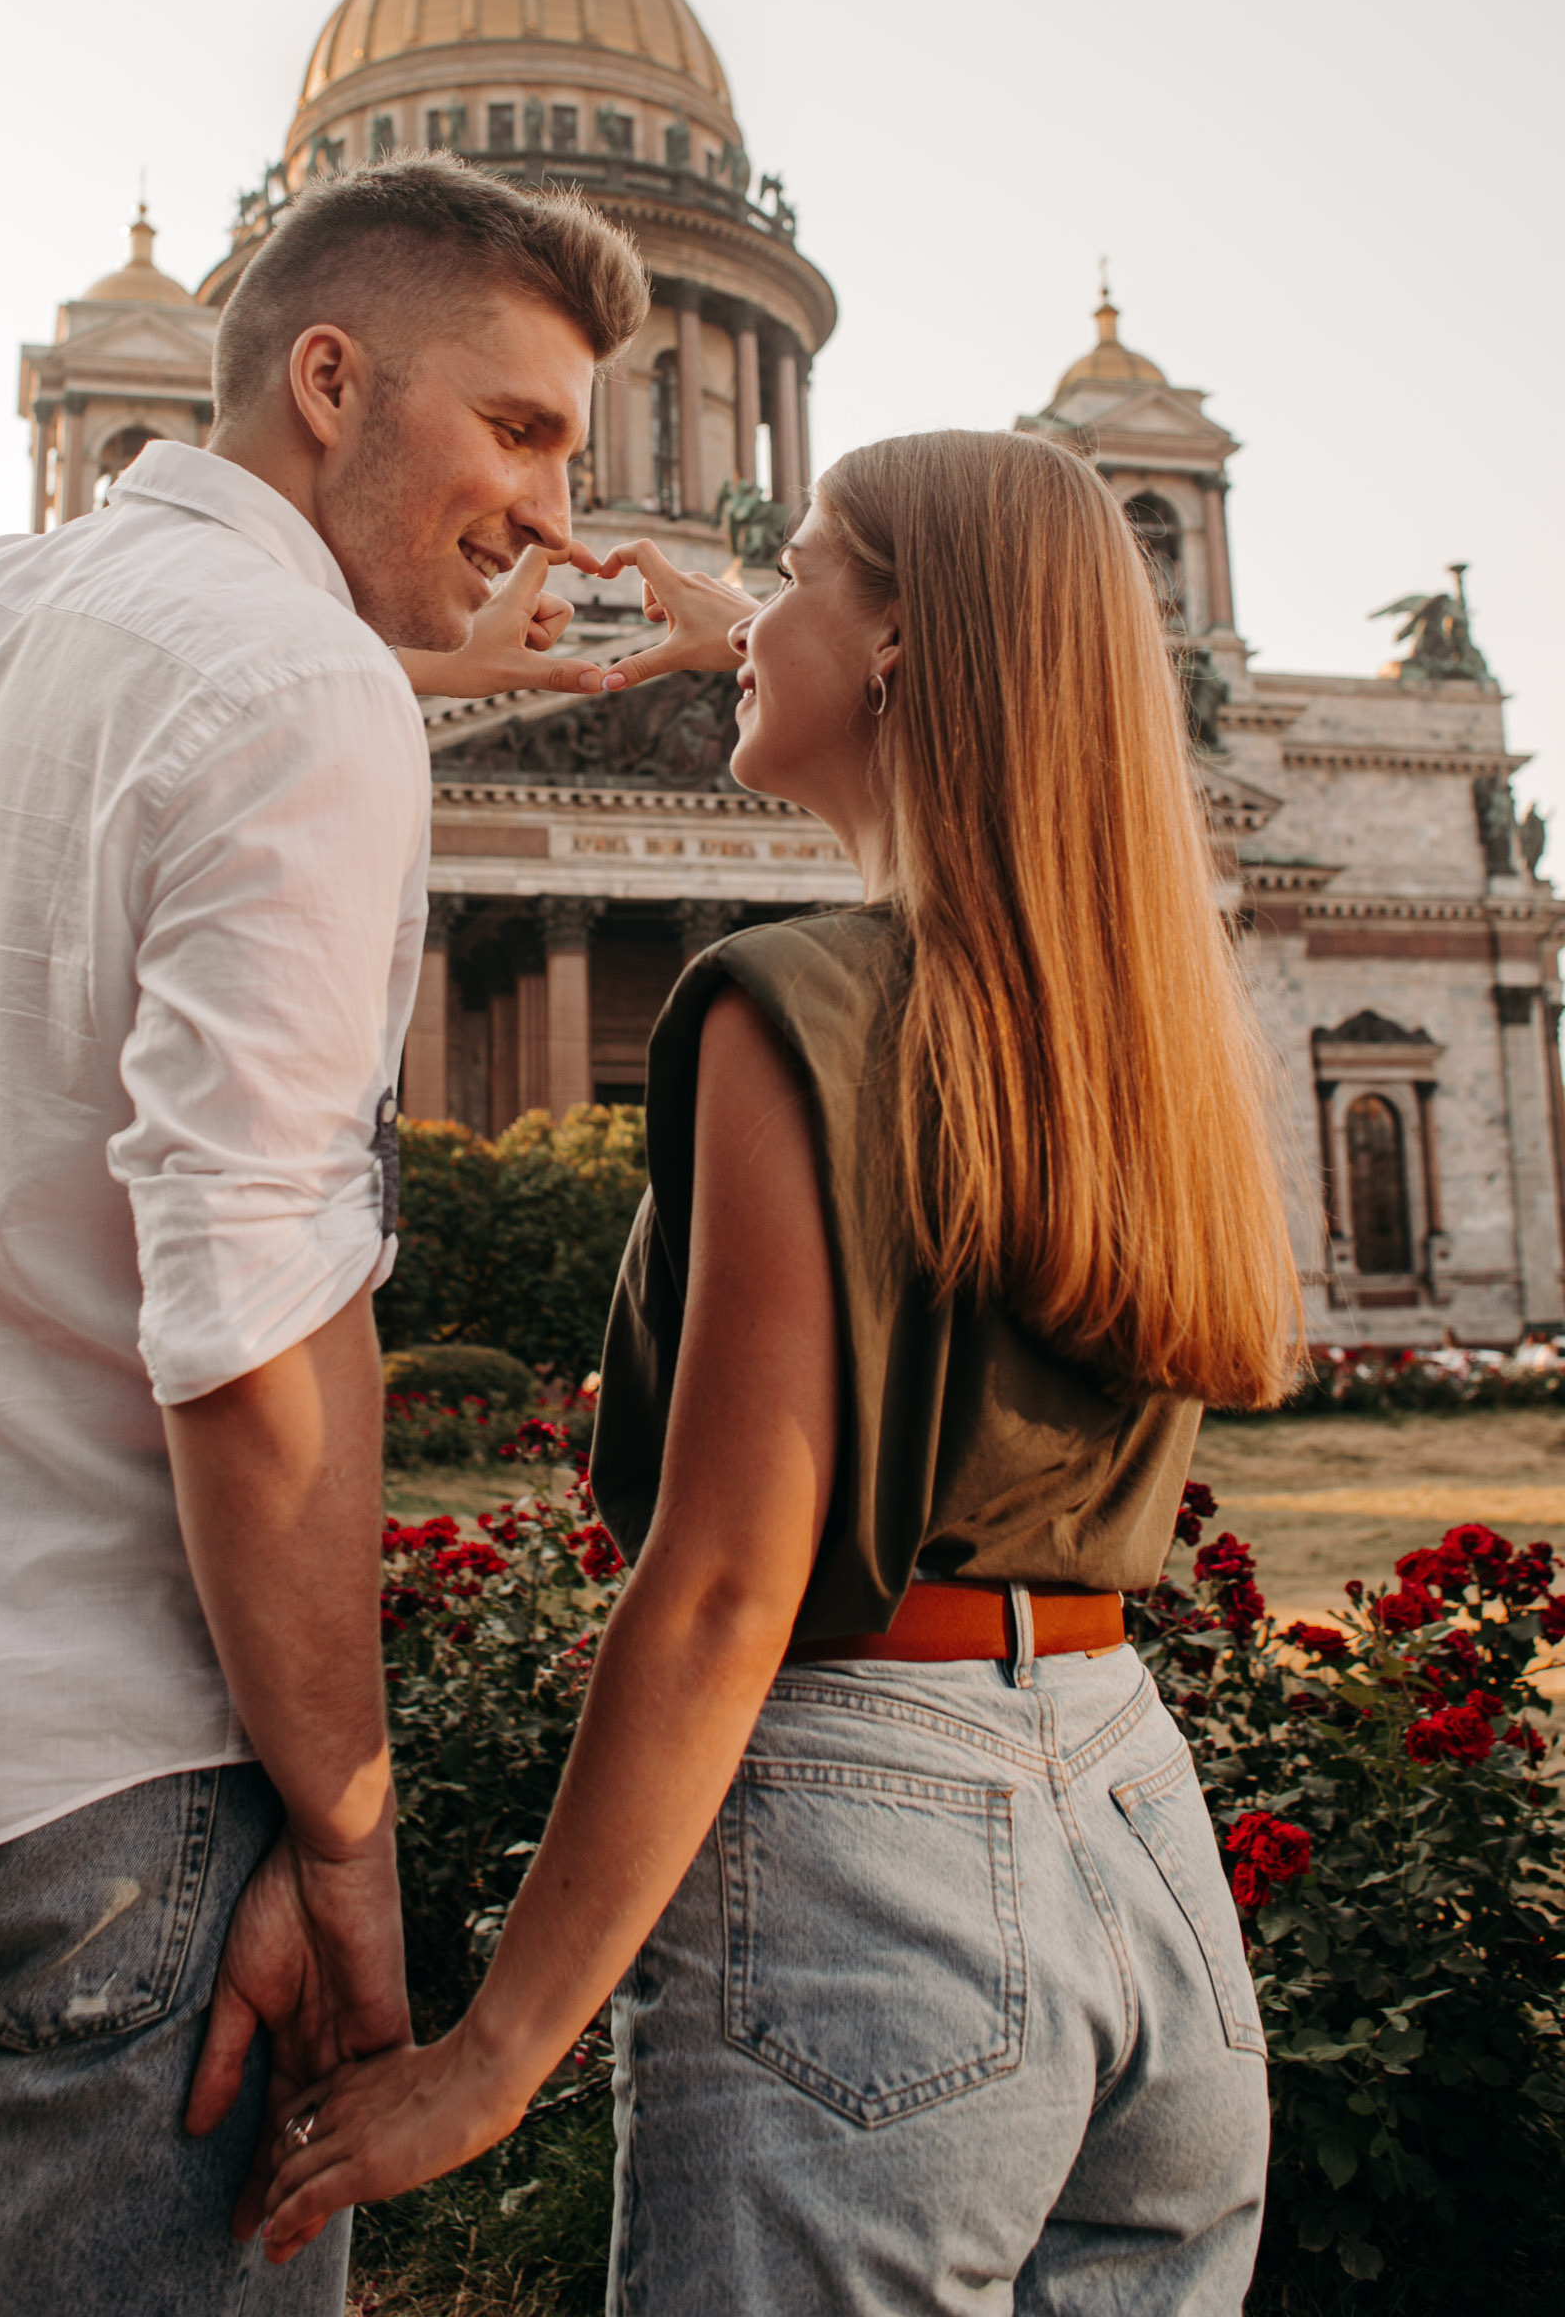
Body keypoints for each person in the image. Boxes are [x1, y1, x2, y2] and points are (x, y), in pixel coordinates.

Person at [0, 152, 649, 2317]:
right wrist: (344, 1841)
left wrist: (449, 668)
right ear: (331, 376)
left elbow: (175, 738)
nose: (543, 503)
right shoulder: (304, 705)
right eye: (514, 430)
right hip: (103, 1817)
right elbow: (254, 1337)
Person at [257, 428, 1301, 2314]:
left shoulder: (786, 1004)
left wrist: (494, 2057)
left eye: (795, 562)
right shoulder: (1123, 1010)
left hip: (879, 1880)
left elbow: (729, 1585)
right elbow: (948, 682)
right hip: (1145, 1861)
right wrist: (748, 626)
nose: (747, 601)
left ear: (899, 644)